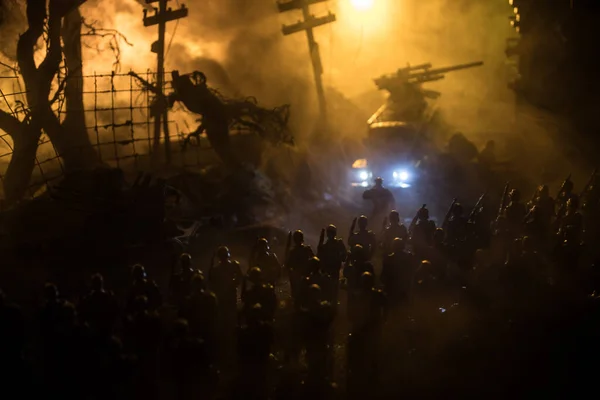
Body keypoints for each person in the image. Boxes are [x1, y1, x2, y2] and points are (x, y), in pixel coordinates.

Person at [317, 225, 347, 306]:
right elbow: (319, 255)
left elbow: (344, 256)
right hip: (328, 269)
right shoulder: (327, 245)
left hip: (334, 269)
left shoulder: (338, 243)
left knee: (333, 288)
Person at [285, 230, 315, 305]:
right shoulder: (306, 249)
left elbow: (288, 265)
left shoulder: (294, 251)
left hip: (302, 276)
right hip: (302, 276)